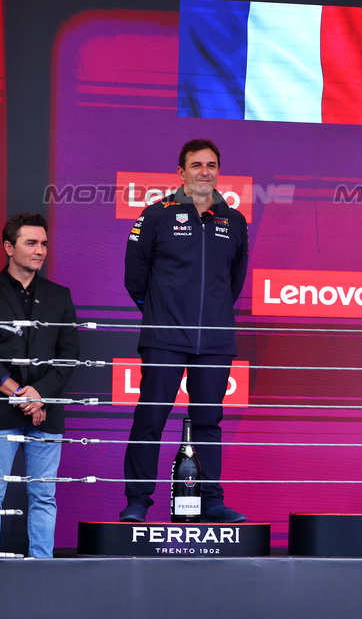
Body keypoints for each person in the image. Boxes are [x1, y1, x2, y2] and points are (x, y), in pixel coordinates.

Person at [120, 139, 249, 523]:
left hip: (214, 340)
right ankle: (138, 501)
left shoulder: (235, 220)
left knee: (209, 421)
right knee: (151, 418)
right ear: (181, 172)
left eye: (211, 165)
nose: (204, 172)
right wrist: (161, 314)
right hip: (164, 337)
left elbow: (234, 282)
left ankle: (211, 502)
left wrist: (212, 315)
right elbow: (134, 278)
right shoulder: (156, 215)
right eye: (196, 165)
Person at [0, 213, 78, 557]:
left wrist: (39, 394)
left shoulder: (60, 296)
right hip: (0, 411)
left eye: (44, 243)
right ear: (8, 247)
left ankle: (42, 567)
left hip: (46, 410)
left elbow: (69, 354)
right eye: (31, 243)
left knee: (44, 494)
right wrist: (19, 394)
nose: (40, 250)